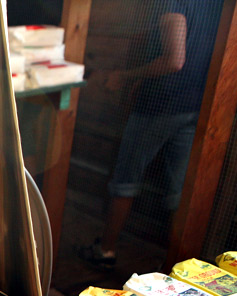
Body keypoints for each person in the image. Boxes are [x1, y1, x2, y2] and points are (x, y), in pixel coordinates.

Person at [79, 0, 222, 270]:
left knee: (125, 179)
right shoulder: (216, 6)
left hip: (160, 106)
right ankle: (182, 266)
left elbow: (175, 60)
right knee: (181, 191)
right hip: (199, 106)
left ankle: (105, 249)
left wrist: (126, 75)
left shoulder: (174, 2)